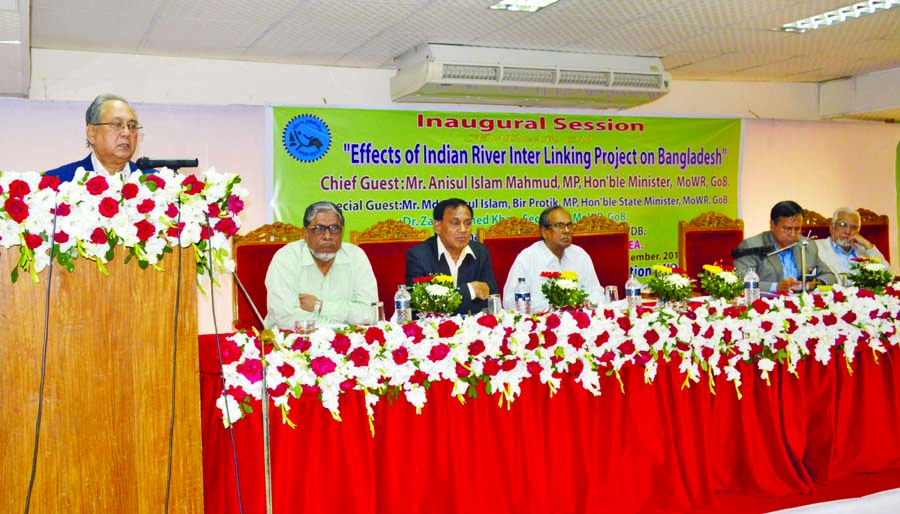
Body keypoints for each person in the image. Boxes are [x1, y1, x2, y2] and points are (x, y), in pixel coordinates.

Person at [264, 201, 378, 330]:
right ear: (305, 233)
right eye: (319, 229)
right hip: (291, 342)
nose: (327, 236)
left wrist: (321, 307)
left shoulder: (356, 256)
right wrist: (340, 325)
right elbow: (286, 318)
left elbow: (371, 313)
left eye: (334, 229)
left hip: (347, 342)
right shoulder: (286, 258)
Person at [405, 198, 498, 315]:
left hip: (474, 328)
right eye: (455, 223)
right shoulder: (419, 255)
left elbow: (490, 300)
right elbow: (418, 307)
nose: (463, 230)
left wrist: (444, 301)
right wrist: (471, 290)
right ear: (437, 226)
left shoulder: (480, 251)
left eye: (467, 223)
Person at [502, 206, 604, 311]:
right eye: (560, 226)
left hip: (579, 322)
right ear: (544, 231)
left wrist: (585, 302)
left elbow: (597, 292)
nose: (566, 231)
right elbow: (509, 302)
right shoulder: (527, 259)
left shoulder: (580, 255)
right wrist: (552, 306)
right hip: (540, 324)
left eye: (569, 225)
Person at [734, 200, 836, 293]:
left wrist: (814, 283)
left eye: (797, 229)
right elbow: (740, 282)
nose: (792, 234)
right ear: (772, 225)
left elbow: (829, 276)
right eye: (787, 229)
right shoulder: (752, 246)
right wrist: (776, 287)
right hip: (766, 306)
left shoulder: (806, 245)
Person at [44, 94, 145, 182]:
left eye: (132, 126)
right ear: (91, 133)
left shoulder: (154, 183)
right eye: (116, 124)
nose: (126, 133)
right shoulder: (59, 180)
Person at [815, 207, 887, 276]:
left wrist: (867, 245)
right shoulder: (815, 247)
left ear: (858, 231)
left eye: (854, 227)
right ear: (832, 228)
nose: (848, 231)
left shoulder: (864, 251)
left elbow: (888, 276)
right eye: (843, 225)